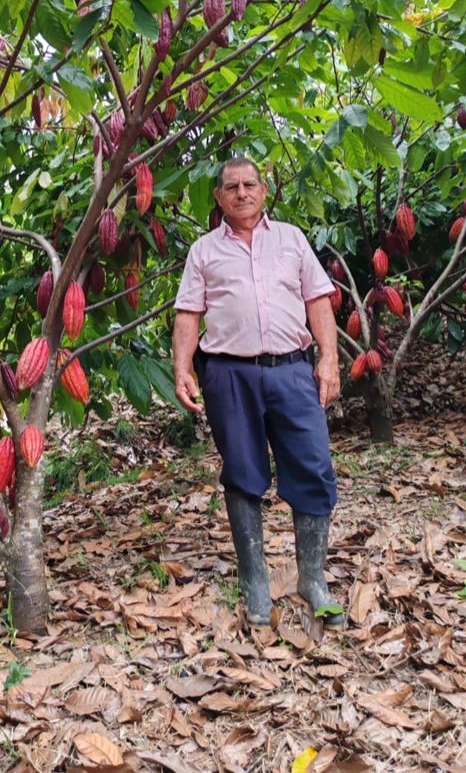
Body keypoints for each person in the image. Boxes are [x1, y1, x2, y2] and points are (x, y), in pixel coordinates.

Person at [172, 156, 344, 627]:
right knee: (243, 473)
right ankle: (255, 582)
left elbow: (318, 300)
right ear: (219, 197)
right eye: (232, 186)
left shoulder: (291, 239)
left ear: (264, 190)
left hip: (291, 372)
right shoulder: (204, 251)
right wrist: (183, 367)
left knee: (313, 465)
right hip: (229, 375)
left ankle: (313, 579)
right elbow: (188, 312)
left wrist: (328, 357)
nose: (242, 193)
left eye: (250, 184)